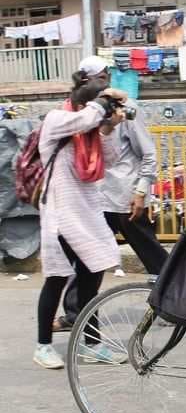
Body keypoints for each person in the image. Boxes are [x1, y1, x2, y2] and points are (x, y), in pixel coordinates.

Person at [52, 56, 167, 333]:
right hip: (94, 198)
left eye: (106, 77)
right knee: (86, 258)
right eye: (99, 78)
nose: (104, 82)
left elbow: (148, 153)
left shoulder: (125, 109)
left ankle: (179, 300)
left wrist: (141, 192)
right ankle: (74, 314)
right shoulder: (78, 111)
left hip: (125, 197)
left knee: (151, 253)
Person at [33, 77, 127, 369]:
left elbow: (110, 159)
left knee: (90, 279)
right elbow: (85, 118)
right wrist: (103, 104)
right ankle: (43, 345)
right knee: (57, 279)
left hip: (86, 213)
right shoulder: (58, 119)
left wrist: (109, 127)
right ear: (85, 104)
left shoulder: (91, 130)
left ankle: (92, 344)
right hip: (60, 215)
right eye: (98, 106)